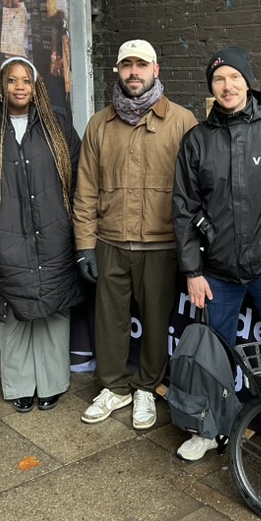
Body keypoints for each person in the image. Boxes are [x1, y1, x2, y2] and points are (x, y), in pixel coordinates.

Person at [173, 46, 261, 461]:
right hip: (217, 272)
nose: (227, 86)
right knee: (213, 353)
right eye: (218, 80)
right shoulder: (197, 140)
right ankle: (210, 428)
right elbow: (183, 209)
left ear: (248, 81)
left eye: (234, 77)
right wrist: (192, 270)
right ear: (211, 89)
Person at [73, 39, 198, 430]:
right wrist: (85, 245)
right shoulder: (99, 124)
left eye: (141, 65)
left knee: (157, 322)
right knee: (109, 320)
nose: (133, 72)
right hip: (110, 241)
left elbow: (195, 190)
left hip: (161, 245)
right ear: (118, 71)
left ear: (155, 70)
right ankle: (114, 387)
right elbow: (86, 189)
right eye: (126, 65)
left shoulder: (181, 121)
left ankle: (146, 386)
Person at [0, 56, 82, 413]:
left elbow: (80, 177)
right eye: (12, 80)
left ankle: (53, 383)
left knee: (53, 313)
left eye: (26, 80)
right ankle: (21, 386)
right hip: (4, 243)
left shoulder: (56, 126)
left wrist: (71, 227)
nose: (20, 86)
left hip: (54, 238)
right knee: (13, 317)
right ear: (1, 86)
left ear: (36, 84)